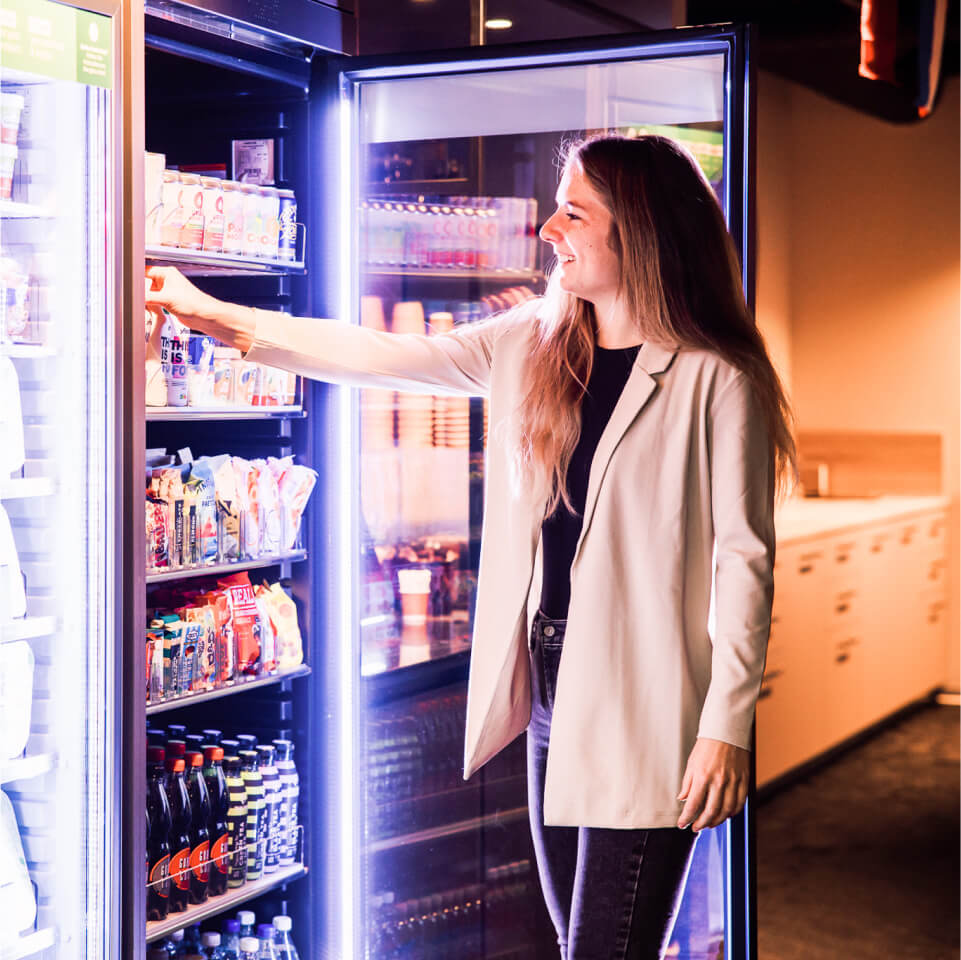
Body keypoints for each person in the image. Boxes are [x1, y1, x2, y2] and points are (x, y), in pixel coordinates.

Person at [146, 133, 796, 960]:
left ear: (638, 231)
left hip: (649, 701)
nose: (548, 230)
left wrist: (726, 729)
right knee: (577, 943)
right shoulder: (533, 341)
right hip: (553, 689)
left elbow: (743, 563)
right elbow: (379, 355)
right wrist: (214, 312)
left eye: (574, 212)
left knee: (606, 948)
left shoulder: (716, 377)